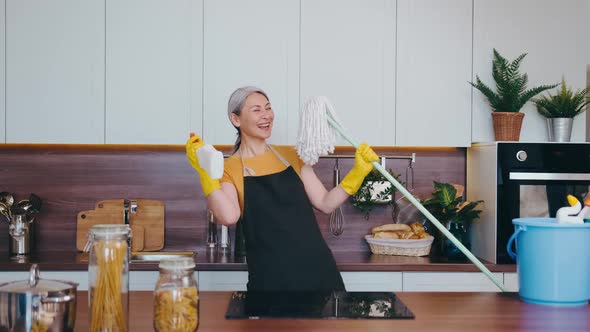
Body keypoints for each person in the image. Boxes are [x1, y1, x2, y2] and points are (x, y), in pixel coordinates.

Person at [186, 86, 379, 291]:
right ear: (236, 119)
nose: (266, 115)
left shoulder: (291, 155)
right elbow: (229, 216)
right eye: (257, 110)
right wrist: (205, 172)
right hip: (269, 278)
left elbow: (325, 203)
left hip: (318, 270)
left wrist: (357, 173)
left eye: (268, 108)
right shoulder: (230, 168)